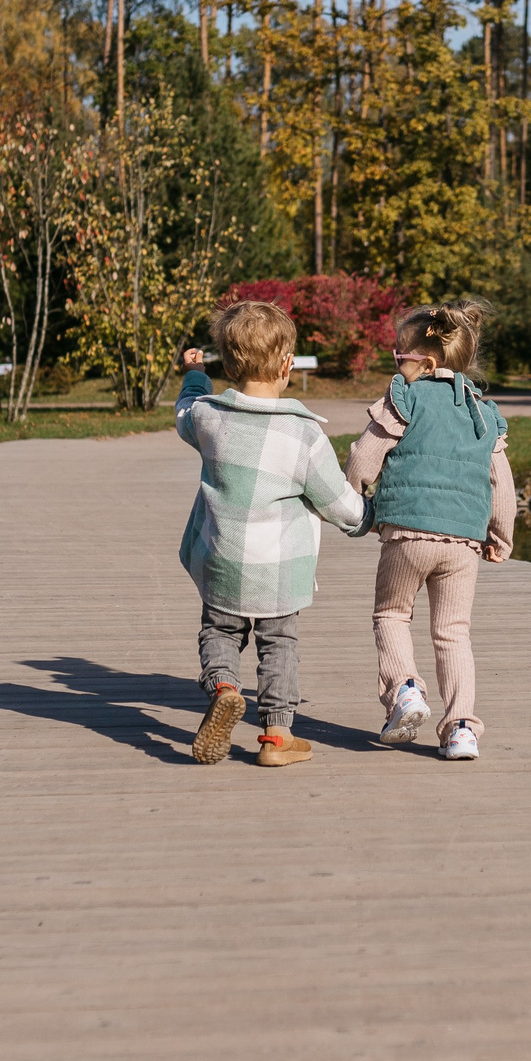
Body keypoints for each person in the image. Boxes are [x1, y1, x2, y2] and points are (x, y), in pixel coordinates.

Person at [174, 299, 366, 767]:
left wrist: (196, 376)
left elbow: (185, 409)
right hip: (279, 571)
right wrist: (367, 516)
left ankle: (223, 686)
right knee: (279, 644)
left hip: (221, 557)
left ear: (230, 362)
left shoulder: (208, 417)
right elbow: (338, 502)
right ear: (286, 365)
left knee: (219, 631)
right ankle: (276, 737)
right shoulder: (303, 435)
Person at [343, 299, 516, 761]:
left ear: (427, 362)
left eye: (400, 358)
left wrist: (353, 497)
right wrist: (499, 535)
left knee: (392, 614)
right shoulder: (484, 413)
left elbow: (363, 459)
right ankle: (461, 728)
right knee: (453, 632)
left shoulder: (404, 397)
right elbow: (502, 485)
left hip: (407, 532)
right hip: (463, 541)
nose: (396, 366)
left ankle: (405, 691)